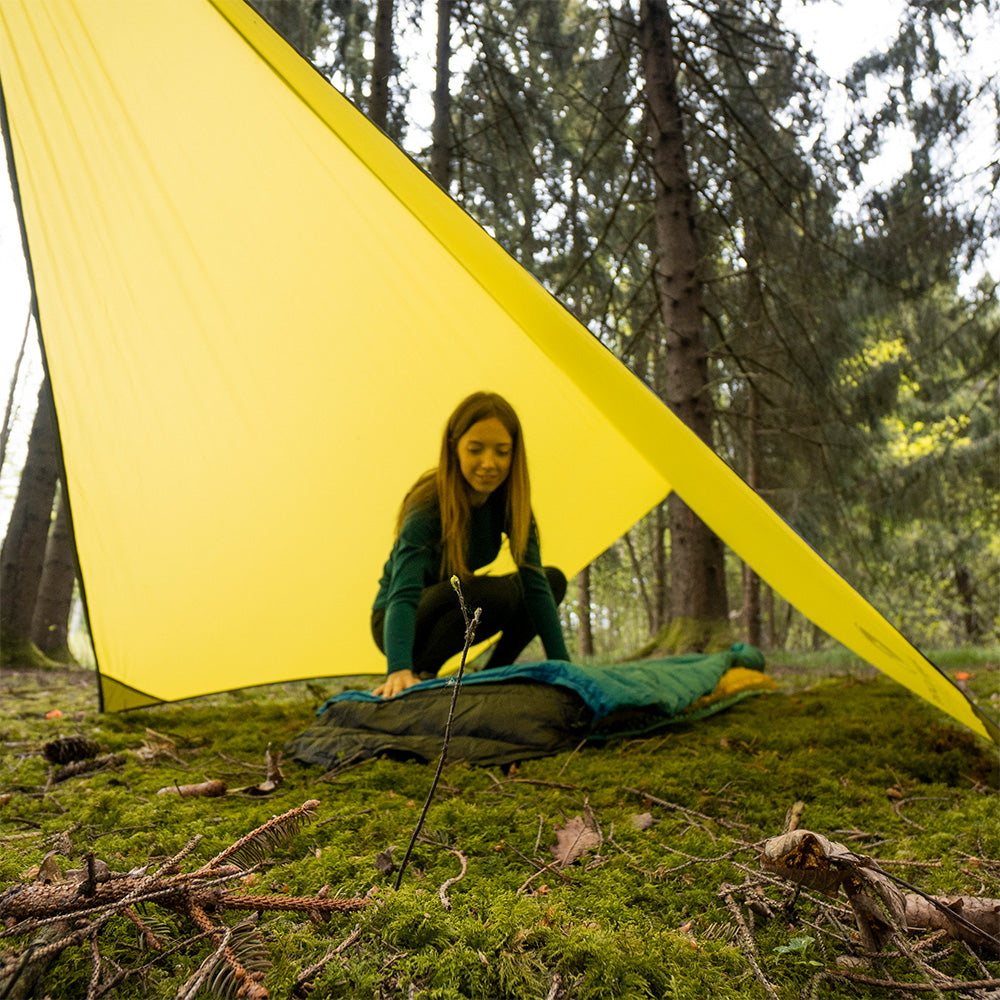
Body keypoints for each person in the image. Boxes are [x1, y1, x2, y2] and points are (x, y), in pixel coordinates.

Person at [371, 391, 569, 698]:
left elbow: (535, 586)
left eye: (502, 452)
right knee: (490, 594)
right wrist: (398, 667)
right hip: (398, 620)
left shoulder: (511, 503)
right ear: (455, 448)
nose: (489, 464)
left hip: (457, 603)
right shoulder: (428, 503)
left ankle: (494, 673)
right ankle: (421, 670)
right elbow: (404, 592)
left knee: (551, 579)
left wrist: (563, 665)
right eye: (475, 450)